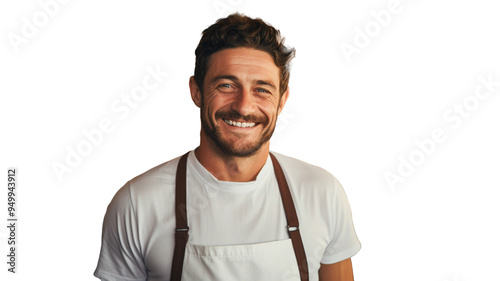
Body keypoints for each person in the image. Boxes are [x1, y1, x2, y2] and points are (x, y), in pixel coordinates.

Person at [94, 13, 361, 281]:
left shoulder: (322, 193)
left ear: (282, 100)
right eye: (226, 85)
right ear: (196, 91)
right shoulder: (137, 203)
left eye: (262, 90)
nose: (244, 106)